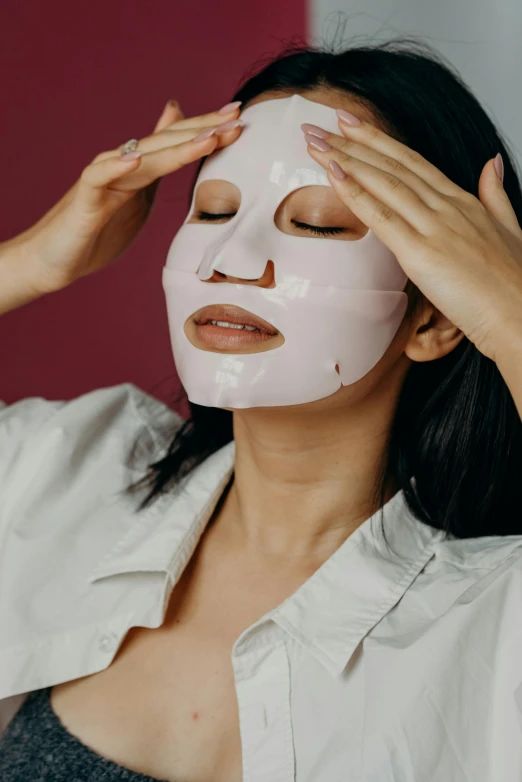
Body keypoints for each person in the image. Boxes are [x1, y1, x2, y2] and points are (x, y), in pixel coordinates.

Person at [1, 36, 522, 782]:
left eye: (314, 224)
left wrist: (512, 315)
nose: (230, 260)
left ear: (435, 319)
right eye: (213, 210)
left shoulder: (495, 619)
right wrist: (32, 259)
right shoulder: (73, 473)